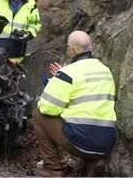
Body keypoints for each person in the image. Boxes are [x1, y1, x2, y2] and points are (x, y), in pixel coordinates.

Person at [33, 30, 117, 177]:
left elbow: (48, 108)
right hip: (106, 142)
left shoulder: (68, 73)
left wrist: (57, 81)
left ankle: (54, 169)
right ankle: (95, 162)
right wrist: (62, 77)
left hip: (81, 143)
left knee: (38, 114)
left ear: (71, 50)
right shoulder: (106, 70)